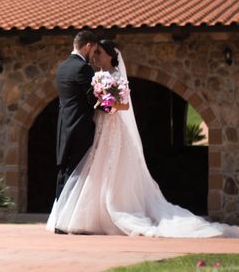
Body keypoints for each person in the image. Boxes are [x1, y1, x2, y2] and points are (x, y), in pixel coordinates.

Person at [47, 39, 239, 237]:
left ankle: (112, 211)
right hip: (99, 128)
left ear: (111, 56)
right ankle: (88, 213)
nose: (96, 57)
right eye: (95, 53)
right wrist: (100, 102)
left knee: (112, 168)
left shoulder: (116, 76)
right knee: (95, 167)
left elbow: (124, 105)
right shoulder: (97, 76)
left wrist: (106, 105)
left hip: (113, 128)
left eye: (100, 53)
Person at [53, 30, 99, 234]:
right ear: (87, 46)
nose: (94, 55)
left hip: (65, 126)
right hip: (80, 127)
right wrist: (110, 106)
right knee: (79, 172)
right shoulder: (83, 69)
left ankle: (59, 220)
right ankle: (67, 221)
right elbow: (93, 99)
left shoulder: (62, 68)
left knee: (65, 171)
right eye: (94, 50)